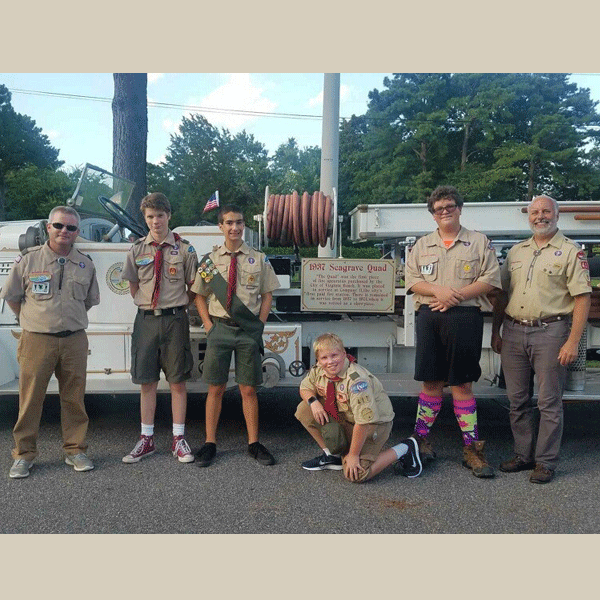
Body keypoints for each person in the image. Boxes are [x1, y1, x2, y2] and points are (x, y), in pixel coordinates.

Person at [491, 195, 591, 484]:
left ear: (557, 215)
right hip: (513, 332)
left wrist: (572, 342)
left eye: (546, 211)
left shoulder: (571, 251)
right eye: (534, 212)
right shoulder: (516, 252)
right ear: (529, 217)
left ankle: (545, 462)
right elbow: (502, 295)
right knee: (517, 400)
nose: (540, 216)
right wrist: (496, 331)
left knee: (549, 401)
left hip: (551, 331)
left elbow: (582, 298)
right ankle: (523, 455)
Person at [404, 185, 501, 478]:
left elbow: (490, 279)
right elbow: (412, 280)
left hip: (465, 317)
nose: (444, 211)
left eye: (450, 206)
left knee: (463, 385)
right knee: (431, 382)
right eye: (439, 209)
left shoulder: (479, 242)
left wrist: (454, 297)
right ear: (433, 215)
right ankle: (421, 441)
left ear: (459, 209)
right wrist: (439, 292)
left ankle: (472, 449)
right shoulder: (422, 245)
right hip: (430, 317)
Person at [1, 206, 100, 478]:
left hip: (74, 341)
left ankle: (75, 450)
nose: (64, 231)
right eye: (58, 225)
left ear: (77, 232)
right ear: (48, 227)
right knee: (30, 400)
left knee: (74, 399)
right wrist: (32, 320)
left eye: (71, 227)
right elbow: (12, 297)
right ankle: (23, 455)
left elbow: (89, 301)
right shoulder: (28, 260)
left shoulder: (86, 264)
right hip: (37, 340)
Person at [192, 204, 280, 467]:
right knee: (215, 388)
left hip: (247, 331)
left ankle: (254, 444)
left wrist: (259, 325)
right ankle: (210, 443)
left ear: (244, 225)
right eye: (229, 223)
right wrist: (208, 325)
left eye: (239, 222)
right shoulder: (209, 261)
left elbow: (267, 295)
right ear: (220, 226)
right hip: (219, 329)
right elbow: (199, 296)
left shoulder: (259, 259)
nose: (235, 227)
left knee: (249, 389)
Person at [120, 192, 198, 464]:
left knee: (177, 381)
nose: (156, 221)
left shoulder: (185, 249)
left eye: (160, 215)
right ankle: (147, 438)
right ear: (145, 218)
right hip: (146, 320)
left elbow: (193, 287)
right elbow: (133, 285)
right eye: (151, 216)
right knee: (147, 381)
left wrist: (176, 306)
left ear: (169, 216)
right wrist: (148, 305)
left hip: (175, 320)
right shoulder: (137, 249)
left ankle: (178, 438)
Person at [295, 333, 422, 482]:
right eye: (324, 358)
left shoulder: (357, 381)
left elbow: (364, 422)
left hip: (373, 424)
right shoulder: (319, 370)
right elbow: (305, 388)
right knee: (304, 410)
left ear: (344, 354)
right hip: (347, 418)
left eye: (334, 355)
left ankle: (406, 447)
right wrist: (313, 402)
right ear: (318, 360)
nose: (330, 362)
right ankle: (332, 456)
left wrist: (353, 455)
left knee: (357, 474)